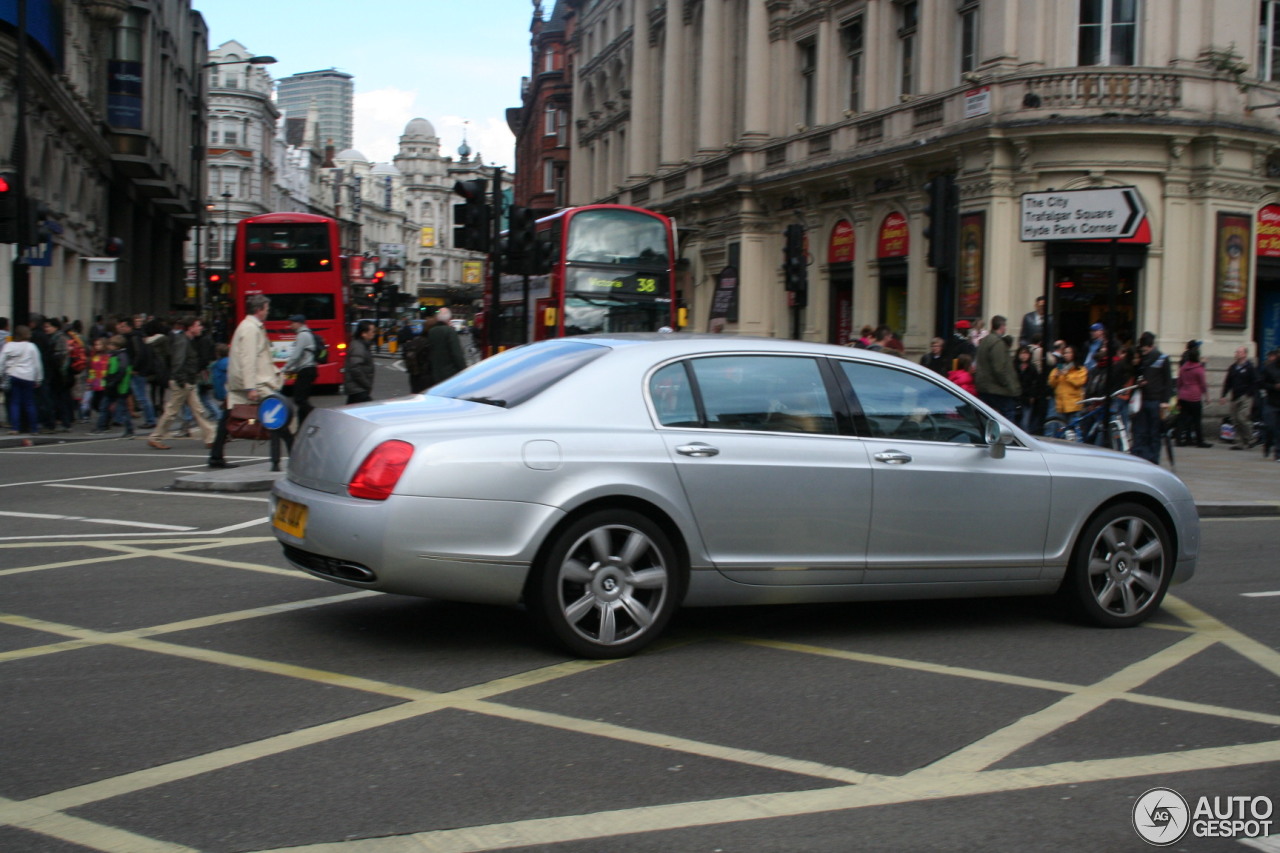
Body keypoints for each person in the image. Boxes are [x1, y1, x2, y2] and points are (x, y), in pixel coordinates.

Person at [208, 294, 281, 468]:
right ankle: (289, 455)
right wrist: (251, 387)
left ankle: (216, 456)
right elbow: (248, 359)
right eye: (266, 308)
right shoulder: (250, 329)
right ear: (259, 309)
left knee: (227, 418)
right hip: (254, 383)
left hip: (244, 382)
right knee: (280, 416)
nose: (268, 312)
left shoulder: (251, 326)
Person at [147, 316, 216, 450]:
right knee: (172, 411)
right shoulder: (182, 342)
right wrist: (181, 380)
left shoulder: (188, 341)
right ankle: (155, 437)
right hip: (183, 382)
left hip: (188, 381)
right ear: (190, 328)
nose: (200, 327)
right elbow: (177, 362)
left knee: (198, 410)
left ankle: (211, 437)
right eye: (198, 325)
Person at [1132, 331, 1174, 464]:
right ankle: (1140, 455)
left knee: (1154, 433)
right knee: (1140, 431)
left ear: (1150, 346)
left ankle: (1153, 459)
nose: (1143, 350)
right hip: (1142, 400)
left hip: (1156, 401)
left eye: (1145, 347)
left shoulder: (1162, 358)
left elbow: (1168, 381)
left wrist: (1165, 401)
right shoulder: (1141, 358)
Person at [974, 314, 1020, 420]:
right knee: (1008, 412)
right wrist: (1008, 385)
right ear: (1002, 326)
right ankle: (1007, 436)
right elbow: (999, 368)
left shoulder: (984, 341)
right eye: (1005, 326)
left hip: (984, 386)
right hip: (996, 389)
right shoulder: (997, 343)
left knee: (986, 415)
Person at [0, 325, 43, 435]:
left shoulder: (9, 345)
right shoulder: (32, 347)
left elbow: (1, 361)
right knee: (29, 403)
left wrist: (1, 375)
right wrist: (38, 379)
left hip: (13, 375)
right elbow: (37, 364)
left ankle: (15, 428)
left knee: (15, 403)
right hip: (28, 377)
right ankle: (34, 428)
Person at [94, 335, 135, 438]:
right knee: (106, 406)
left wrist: (112, 381)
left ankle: (128, 429)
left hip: (119, 387)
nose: (109, 346)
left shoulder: (120, 356)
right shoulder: (116, 355)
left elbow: (121, 371)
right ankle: (101, 426)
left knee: (120, 409)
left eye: (111, 344)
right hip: (115, 386)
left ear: (116, 346)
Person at [1220, 345, 1260, 450]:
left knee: (1242, 417)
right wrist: (1223, 395)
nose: (1236, 354)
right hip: (1235, 396)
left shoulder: (1250, 367)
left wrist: (1249, 393)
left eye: (1239, 352)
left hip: (1246, 396)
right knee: (1235, 420)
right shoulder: (1233, 368)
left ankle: (1251, 438)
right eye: (1236, 352)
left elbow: (1255, 381)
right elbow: (1228, 382)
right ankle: (1240, 442)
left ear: (1244, 354)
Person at [281, 314, 319, 423]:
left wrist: (285, 368)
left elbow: (296, 355)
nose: (290, 325)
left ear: (299, 323)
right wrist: (292, 369)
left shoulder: (302, 335)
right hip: (308, 369)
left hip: (306, 370)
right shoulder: (305, 334)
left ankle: (316, 415)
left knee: (299, 399)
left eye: (292, 323)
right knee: (302, 400)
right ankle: (302, 426)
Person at [1175, 348, 1210, 447]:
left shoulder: (1183, 368)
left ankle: (1180, 439)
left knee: (1182, 419)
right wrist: (1207, 396)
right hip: (1195, 397)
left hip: (1183, 396)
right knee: (1196, 420)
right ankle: (1200, 441)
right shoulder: (1199, 369)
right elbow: (1203, 384)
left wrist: (1178, 395)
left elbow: (1179, 382)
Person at [425, 307, 468, 386]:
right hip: (450, 374)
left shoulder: (431, 332)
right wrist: (464, 370)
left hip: (435, 373)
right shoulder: (450, 331)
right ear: (449, 319)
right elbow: (457, 354)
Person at [1049, 344, 1088, 423]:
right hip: (1061, 404)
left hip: (1074, 404)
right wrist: (1056, 377)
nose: (1066, 355)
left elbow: (1079, 382)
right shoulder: (1058, 368)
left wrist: (1067, 375)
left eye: (1069, 353)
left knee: (1073, 428)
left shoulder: (1080, 369)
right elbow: (1051, 383)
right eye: (1065, 353)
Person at [344, 320, 376, 404]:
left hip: (357, 389)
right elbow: (355, 368)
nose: (374, 333)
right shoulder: (358, 347)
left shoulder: (361, 345)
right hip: (358, 389)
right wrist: (366, 384)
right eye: (372, 331)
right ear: (363, 333)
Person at [1014, 345, 1041, 433]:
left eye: (1026, 353)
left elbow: (1035, 383)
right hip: (1016, 397)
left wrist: (1032, 396)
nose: (1024, 356)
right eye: (1022, 353)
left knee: (1025, 422)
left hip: (1027, 398)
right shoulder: (1014, 366)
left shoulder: (1032, 368)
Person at [1260, 348, 1280, 462]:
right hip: (1271, 402)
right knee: (1270, 426)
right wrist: (1274, 387)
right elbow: (1261, 383)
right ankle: (1267, 444)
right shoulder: (1269, 368)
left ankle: (1278, 453)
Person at [402, 324, 431, 394]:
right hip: (425, 375)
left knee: (414, 394)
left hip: (413, 374)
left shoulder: (410, 344)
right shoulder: (426, 342)